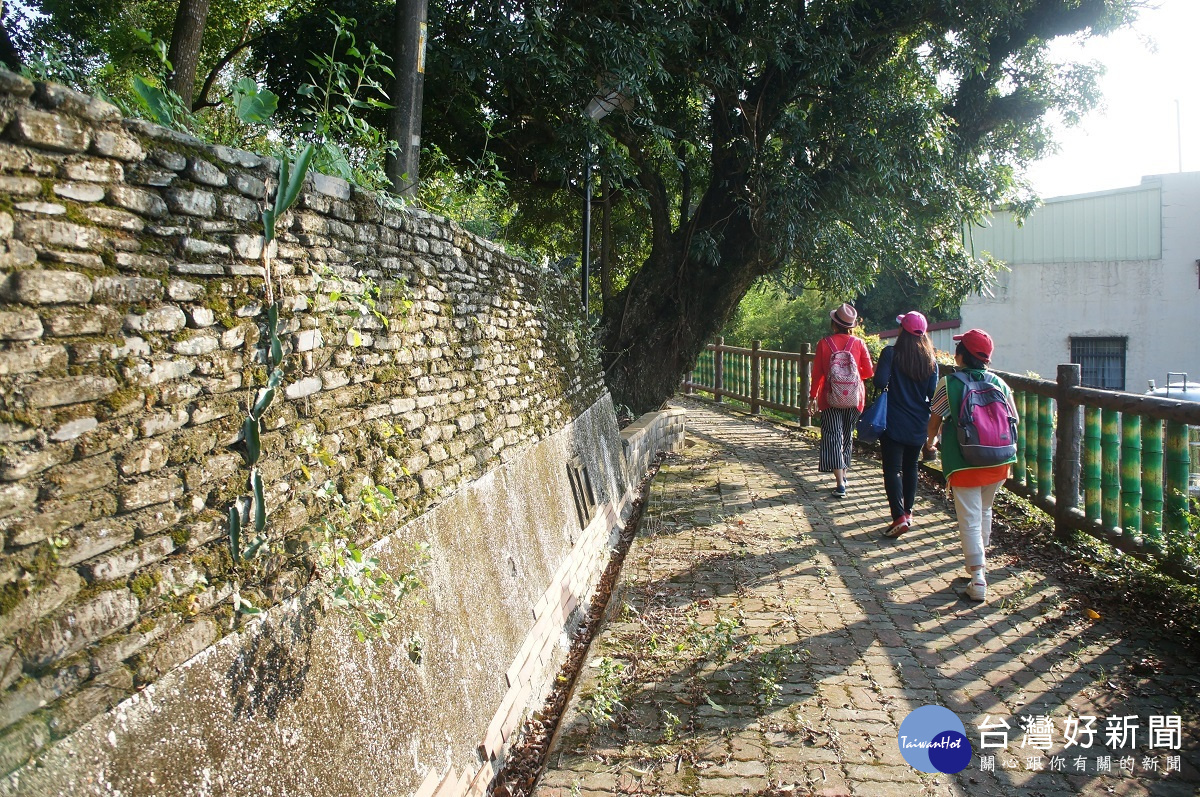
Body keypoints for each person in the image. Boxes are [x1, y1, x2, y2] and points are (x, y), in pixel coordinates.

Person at [924, 329, 1019, 601]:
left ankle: (978, 576)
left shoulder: (949, 383)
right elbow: (1015, 421)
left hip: (964, 461)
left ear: (961, 355)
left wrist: (929, 442)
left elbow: (935, 419)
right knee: (984, 510)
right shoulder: (1000, 383)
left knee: (969, 518)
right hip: (1000, 460)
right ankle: (980, 560)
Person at [875, 312, 938, 538]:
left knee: (892, 469)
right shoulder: (931, 361)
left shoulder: (891, 353)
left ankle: (898, 516)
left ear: (902, 330)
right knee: (911, 466)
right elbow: (932, 393)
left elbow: (880, 382)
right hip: (918, 422)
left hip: (893, 420)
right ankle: (908, 513)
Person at [808, 303, 873, 498]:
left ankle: (840, 483)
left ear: (834, 324)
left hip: (830, 397)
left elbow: (817, 374)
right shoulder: (859, 344)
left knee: (833, 436)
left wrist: (812, 397)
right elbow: (869, 372)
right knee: (846, 435)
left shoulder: (824, 344)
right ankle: (843, 475)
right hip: (855, 398)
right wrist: (850, 378)